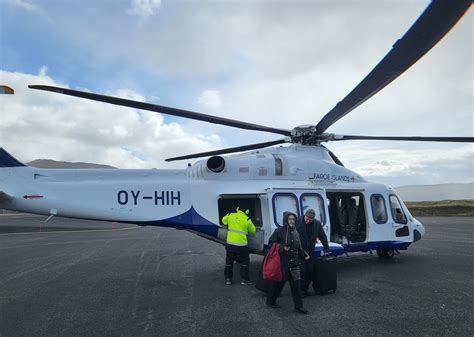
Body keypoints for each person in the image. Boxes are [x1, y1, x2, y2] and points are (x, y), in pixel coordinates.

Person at [266, 211, 310, 314]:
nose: (292, 221)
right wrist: (281, 247)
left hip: (294, 264)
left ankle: (299, 307)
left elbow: (298, 246)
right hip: (282, 264)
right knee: (277, 285)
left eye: (293, 219)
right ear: (286, 220)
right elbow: (270, 243)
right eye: (290, 219)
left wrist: (304, 254)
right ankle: (270, 301)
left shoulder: (296, 231)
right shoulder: (279, 231)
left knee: (296, 287)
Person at [296, 208, 330, 297]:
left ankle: (306, 289)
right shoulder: (297, 221)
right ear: (304, 216)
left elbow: (323, 237)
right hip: (300, 250)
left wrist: (326, 249)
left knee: (310, 271)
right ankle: (300, 291)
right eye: (306, 219)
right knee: (302, 271)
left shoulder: (317, 224)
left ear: (313, 219)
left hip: (310, 251)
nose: (308, 221)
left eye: (310, 220)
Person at [221, 207, 256, 285]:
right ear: (246, 211)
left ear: (237, 209)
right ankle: (244, 279)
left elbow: (223, 221)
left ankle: (228, 279)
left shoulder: (230, 215)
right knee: (245, 262)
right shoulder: (247, 219)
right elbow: (253, 230)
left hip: (230, 244)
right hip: (241, 245)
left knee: (229, 261)